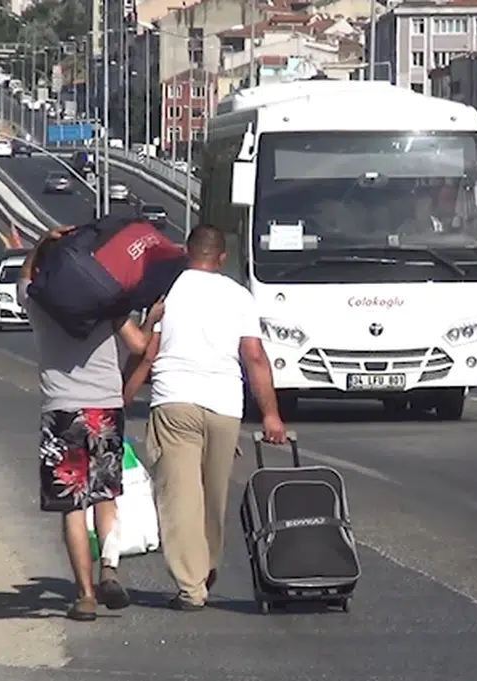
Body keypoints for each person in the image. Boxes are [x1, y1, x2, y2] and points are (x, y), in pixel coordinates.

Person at [123, 224, 287, 611]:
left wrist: (122, 398)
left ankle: (191, 585)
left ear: (186, 252)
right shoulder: (239, 296)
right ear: (222, 258)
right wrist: (271, 416)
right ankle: (205, 565)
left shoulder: (168, 291)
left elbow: (148, 352)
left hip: (174, 401)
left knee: (179, 498)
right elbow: (255, 357)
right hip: (225, 405)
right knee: (214, 496)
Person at [18, 226, 161, 622]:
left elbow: (25, 279)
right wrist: (151, 320)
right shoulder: (104, 304)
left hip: (62, 412)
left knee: (72, 507)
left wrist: (44, 242)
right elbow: (138, 346)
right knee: (105, 498)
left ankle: (84, 596)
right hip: (105, 409)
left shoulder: (40, 304)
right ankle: (110, 568)